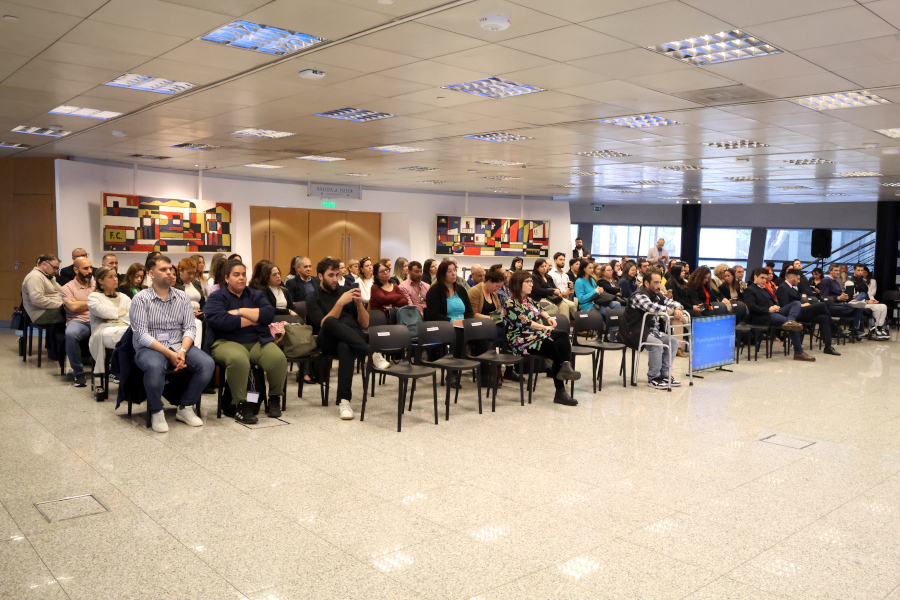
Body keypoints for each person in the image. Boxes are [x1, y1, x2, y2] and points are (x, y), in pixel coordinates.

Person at [130, 255, 214, 432]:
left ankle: (186, 407)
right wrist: (169, 354)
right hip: (150, 347)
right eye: (163, 269)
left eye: (170, 269)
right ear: (151, 274)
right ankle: (156, 410)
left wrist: (182, 350)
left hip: (178, 345)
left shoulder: (182, 297)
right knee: (154, 366)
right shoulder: (140, 299)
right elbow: (141, 335)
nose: (169, 272)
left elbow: (190, 328)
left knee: (207, 364)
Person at [206, 260, 286, 422]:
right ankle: (241, 405)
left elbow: (268, 315)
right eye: (236, 275)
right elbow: (220, 320)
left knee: (278, 359)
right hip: (226, 341)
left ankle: (274, 399)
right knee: (238, 360)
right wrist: (253, 319)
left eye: (243, 274)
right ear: (227, 278)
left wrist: (240, 311)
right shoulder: (217, 297)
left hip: (257, 340)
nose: (241, 278)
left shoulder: (255, 294)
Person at [306, 258, 371, 420]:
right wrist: (340, 304)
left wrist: (359, 304)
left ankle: (344, 401)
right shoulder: (313, 298)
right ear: (320, 276)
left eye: (337, 275)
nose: (335, 279)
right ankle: (370, 352)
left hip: (349, 340)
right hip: (327, 341)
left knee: (345, 346)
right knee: (330, 321)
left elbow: (365, 323)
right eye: (330, 275)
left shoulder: (346, 291)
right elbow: (323, 324)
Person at [503, 270, 580, 406]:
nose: (531, 284)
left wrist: (549, 318)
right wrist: (545, 328)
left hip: (535, 336)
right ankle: (561, 387)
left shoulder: (528, 300)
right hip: (521, 341)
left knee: (561, 337)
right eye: (527, 281)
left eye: (531, 281)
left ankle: (565, 368)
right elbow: (525, 322)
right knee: (558, 348)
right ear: (517, 284)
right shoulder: (510, 304)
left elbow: (540, 308)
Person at [618, 268, 686, 389]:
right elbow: (651, 307)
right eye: (655, 282)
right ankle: (653, 377)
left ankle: (665, 375)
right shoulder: (638, 295)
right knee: (657, 344)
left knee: (673, 341)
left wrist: (678, 309)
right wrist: (668, 310)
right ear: (646, 283)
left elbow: (672, 302)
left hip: (649, 331)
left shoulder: (656, 294)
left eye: (660, 282)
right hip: (633, 332)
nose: (659, 285)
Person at [743, 267, 814, 361]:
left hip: (774, 312)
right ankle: (799, 352)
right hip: (761, 316)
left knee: (796, 303)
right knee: (793, 325)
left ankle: (791, 320)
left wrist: (775, 307)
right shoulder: (750, 290)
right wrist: (769, 309)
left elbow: (772, 302)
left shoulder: (765, 290)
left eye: (765, 278)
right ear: (755, 277)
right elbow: (752, 308)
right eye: (762, 278)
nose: (764, 280)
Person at [776, 268, 840, 355]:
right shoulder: (782, 288)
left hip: (801, 311)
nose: (799, 281)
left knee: (824, 317)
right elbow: (785, 306)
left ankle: (828, 347)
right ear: (791, 277)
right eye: (798, 279)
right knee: (822, 305)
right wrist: (802, 305)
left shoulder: (793, 288)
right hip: (793, 314)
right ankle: (835, 328)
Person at [87, 265, 131, 380]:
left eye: (115, 276)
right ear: (101, 281)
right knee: (126, 334)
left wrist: (114, 315)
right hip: (103, 331)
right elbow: (103, 311)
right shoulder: (94, 297)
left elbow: (132, 315)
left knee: (131, 333)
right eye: (110, 277)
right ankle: (117, 369)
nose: (115, 279)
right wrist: (122, 312)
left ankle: (127, 372)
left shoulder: (124, 297)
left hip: (126, 328)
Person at [60, 256, 94, 387]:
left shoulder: (97, 285)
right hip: (78, 321)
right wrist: (93, 302)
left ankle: (114, 370)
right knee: (71, 334)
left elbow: (106, 302)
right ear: (75, 269)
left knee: (120, 331)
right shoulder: (67, 288)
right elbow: (73, 307)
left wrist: (80, 303)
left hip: (98, 319)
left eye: (91, 267)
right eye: (85, 268)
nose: (90, 271)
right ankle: (78, 373)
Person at [818, 263, 865, 339]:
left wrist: (846, 296)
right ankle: (849, 330)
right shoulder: (826, 280)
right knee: (850, 308)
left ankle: (853, 330)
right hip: (829, 306)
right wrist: (838, 298)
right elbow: (824, 298)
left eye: (839, 271)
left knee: (859, 307)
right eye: (835, 270)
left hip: (840, 304)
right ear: (830, 271)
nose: (838, 272)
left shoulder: (836, 282)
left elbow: (839, 294)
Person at [847, 263, 889, 339]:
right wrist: (867, 301)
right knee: (876, 308)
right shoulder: (850, 281)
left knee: (883, 306)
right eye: (858, 270)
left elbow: (868, 293)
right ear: (854, 270)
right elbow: (851, 298)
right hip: (857, 303)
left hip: (866, 301)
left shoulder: (864, 281)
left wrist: (872, 300)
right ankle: (875, 328)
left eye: (862, 270)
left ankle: (879, 328)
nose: (860, 272)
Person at [22, 254, 62, 325]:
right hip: (41, 314)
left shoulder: (47, 276)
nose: (56, 271)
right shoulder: (35, 276)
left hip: (51, 310)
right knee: (73, 313)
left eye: (57, 268)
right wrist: (59, 304)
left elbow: (62, 291)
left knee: (77, 311)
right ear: (44, 264)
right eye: (54, 268)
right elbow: (37, 299)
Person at [548, 252, 577, 318]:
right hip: (558, 297)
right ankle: (571, 322)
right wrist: (565, 293)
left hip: (567, 296)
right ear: (555, 260)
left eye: (564, 260)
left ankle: (576, 321)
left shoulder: (565, 275)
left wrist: (571, 287)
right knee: (571, 305)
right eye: (560, 260)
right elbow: (552, 290)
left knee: (576, 301)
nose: (563, 262)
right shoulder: (551, 274)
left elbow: (568, 288)